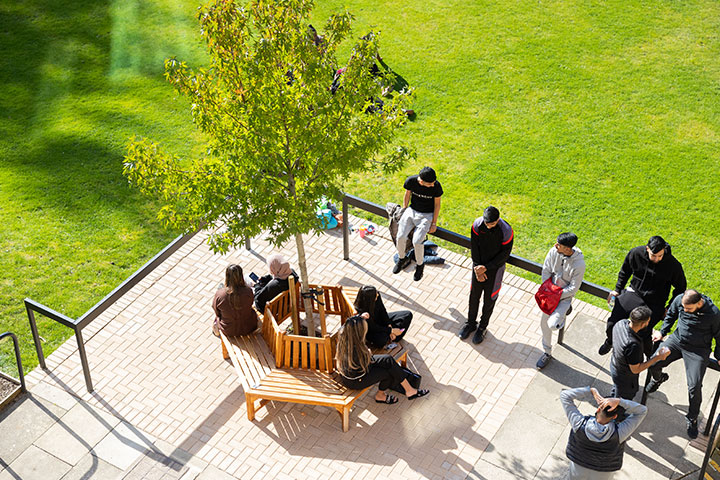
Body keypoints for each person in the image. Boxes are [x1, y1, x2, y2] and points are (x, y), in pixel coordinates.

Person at [645, 289, 720, 438]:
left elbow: (719, 335)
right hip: (677, 341)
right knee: (653, 362)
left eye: (688, 309)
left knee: (694, 385)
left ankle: (692, 418)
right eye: (684, 308)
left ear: (699, 303)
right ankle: (658, 378)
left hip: (697, 351)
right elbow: (671, 315)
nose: (685, 310)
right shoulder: (680, 299)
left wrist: (719, 356)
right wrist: (662, 332)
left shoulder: (714, 314)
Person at [598, 236, 686, 357]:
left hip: (655, 301)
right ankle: (610, 341)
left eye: (660, 256)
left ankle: (650, 360)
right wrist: (617, 289)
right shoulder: (636, 253)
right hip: (634, 292)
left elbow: (681, 288)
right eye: (653, 256)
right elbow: (625, 271)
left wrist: (669, 307)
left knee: (643, 332)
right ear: (647, 249)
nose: (657, 259)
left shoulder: (673, 265)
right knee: (613, 322)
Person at [336, 315, 429, 404]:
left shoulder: (344, 333)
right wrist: (368, 353)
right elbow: (366, 360)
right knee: (388, 372)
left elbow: (351, 323)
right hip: (356, 380)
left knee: (388, 360)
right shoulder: (356, 351)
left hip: (355, 369)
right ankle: (381, 395)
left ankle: (409, 390)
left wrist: (360, 317)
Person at [561, 386, 647, 479]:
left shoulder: (578, 423)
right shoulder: (620, 433)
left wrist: (591, 390)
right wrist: (619, 401)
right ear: (615, 416)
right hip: (604, 474)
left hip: (577, 470)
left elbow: (565, 395)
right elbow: (642, 411)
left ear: (598, 409)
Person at [459, 206, 514, 344]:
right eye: (487, 223)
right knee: (474, 296)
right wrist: (477, 268)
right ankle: (471, 323)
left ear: (498, 220)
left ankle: (482, 327)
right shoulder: (477, 226)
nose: (489, 226)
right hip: (478, 267)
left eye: (492, 224)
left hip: (495, 271)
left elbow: (504, 255)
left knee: (489, 300)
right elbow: (474, 247)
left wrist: (486, 268)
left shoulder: (506, 231)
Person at [536, 233, 586, 369]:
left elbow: (573, 288)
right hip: (550, 293)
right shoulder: (554, 252)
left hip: (564, 298)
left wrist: (557, 295)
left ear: (568, 249)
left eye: (559, 245)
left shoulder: (579, 264)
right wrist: (548, 290)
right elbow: (546, 270)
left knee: (552, 325)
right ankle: (547, 352)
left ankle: (563, 315)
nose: (555, 246)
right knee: (544, 324)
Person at [393, 166, 443, 281]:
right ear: (421, 181)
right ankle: (402, 258)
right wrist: (404, 209)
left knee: (417, 241)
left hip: (427, 215)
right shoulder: (411, 181)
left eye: (433, 182)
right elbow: (407, 194)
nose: (432, 185)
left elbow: (437, 205)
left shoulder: (436, 186)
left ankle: (420, 265)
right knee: (400, 236)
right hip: (412, 210)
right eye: (430, 184)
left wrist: (434, 223)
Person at [610, 306, 670, 400]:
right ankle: (616, 412)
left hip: (615, 365)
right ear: (643, 324)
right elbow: (636, 369)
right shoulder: (633, 346)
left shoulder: (621, 323)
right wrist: (658, 357)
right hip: (625, 377)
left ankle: (612, 399)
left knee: (617, 389)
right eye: (648, 321)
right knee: (622, 401)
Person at [212, 264, 258, 337]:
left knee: (217, 318)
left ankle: (216, 332)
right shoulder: (248, 291)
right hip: (249, 327)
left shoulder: (220, 294)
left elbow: (217, 312)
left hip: (229, 330)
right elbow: (250, 304)